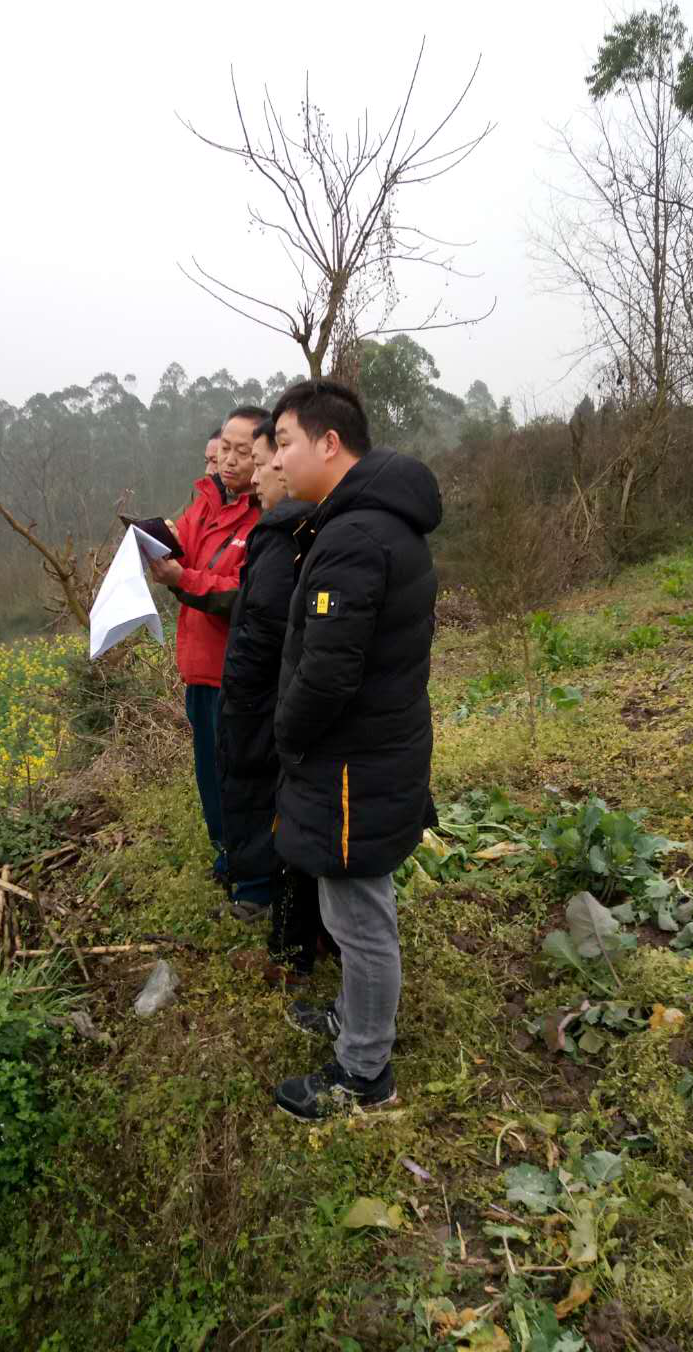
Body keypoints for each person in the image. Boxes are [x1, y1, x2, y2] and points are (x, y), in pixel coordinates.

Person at [267, 378, 441, 1120]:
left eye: (284, 443)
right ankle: (355, 1017)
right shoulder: (370, 522)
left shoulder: (356, 536)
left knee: (359, 919)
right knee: (360, 905)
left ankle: (364, 1072)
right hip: (373, 751)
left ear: (328, 443)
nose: (278, 459)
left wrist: (286, 732)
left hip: (349, 764)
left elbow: (329, 671)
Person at [218, 418, 329, 966]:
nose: (260, 473)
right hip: (269, 702)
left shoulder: (287, 537)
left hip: (266, 705)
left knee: (268, 802)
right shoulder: (291, 535)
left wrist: (238, 695)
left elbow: (265, 630)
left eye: (266, 459)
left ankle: (288, 935)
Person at [147, 406, 266, 899]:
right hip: (199, 669)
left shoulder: (263, 517)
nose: (223, 462)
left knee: (239, 779)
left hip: (233, 673)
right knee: (210, 778)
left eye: (240, 452)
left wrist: (182, 578)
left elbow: (240, 594)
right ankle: (229, 855)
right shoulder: (207, 506)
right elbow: (189, 561)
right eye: (219, 453)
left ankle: (256, 880)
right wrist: (162, 547)